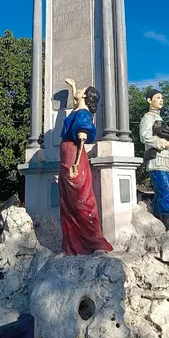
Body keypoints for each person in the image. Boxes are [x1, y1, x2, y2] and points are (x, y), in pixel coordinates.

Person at [58, 78, 113, 255]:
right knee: (70, 199)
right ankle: (74, 243)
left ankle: (93, 241)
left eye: (81, 90)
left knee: (80, 198)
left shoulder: (82, 114)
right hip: (68, 153)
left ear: (85, 97)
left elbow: (81, 141)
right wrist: (73, 87)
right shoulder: (78, 109)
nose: (78, 90)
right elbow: (76, 101)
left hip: (74, 155)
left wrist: (75, 164)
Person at [139, 89, 169, 230]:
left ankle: (157, 223)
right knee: (167, 193)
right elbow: (145, 136)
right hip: (156, 161)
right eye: (158, 97)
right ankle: (166, 226)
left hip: (165, 160)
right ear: (149, 100)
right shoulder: (148, 117)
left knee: (161, 193)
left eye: (162, 98)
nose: (161, 100)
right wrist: (162, 144)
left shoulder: (159, 119)